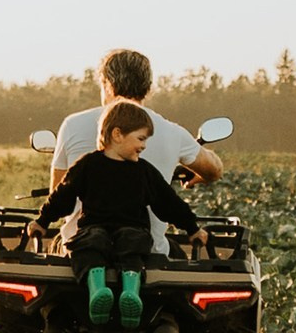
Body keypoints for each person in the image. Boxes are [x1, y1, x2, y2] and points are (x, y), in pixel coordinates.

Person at [29, 101, 206, 328]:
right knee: (110, 246)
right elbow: (64, 195)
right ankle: (105, 293)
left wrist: (192, 227)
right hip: (111, 229)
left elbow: (169, 203)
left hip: (115, 230)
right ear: (117, 134)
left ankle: (121, 295)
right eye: (141, 139)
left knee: (99, 246)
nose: (144, 146)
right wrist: (43, 220)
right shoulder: (119, 168)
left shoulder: (113, 167)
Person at [49, 50, 221, 256]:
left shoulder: (72, 125)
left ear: (106, 83)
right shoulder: (172, 132)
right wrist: (197, 175)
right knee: (178, 256)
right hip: (147, 252)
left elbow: (57, 192)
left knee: (57, 245)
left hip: (84, 249)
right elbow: (214, 170)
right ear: (147, 88)